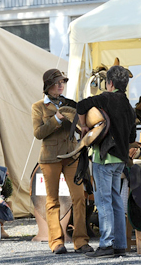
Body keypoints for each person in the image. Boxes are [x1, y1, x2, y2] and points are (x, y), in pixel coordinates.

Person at [76, 65, 137, 258]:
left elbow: (80, 106)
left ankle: (106, 244)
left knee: (103, 202)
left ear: (109, 83)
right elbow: (132, 136)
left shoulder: (106, 98)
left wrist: (85, 126)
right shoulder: (129, 106)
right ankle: (119, 244)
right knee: (116, 201)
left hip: (104, 158)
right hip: (120, 159)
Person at [31, 69, 93, 255]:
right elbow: (38, 133)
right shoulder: (38, 107)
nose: (60, 85)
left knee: (79, 199)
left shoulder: (71, 104)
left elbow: (81, 126)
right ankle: (56, 242)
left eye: (62, 81)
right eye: (57, 82)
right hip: (50, 159)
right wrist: (56, 118)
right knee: (52, 201)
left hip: (71, 156)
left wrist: (84, 128)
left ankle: (81, 241)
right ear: (47, 86)